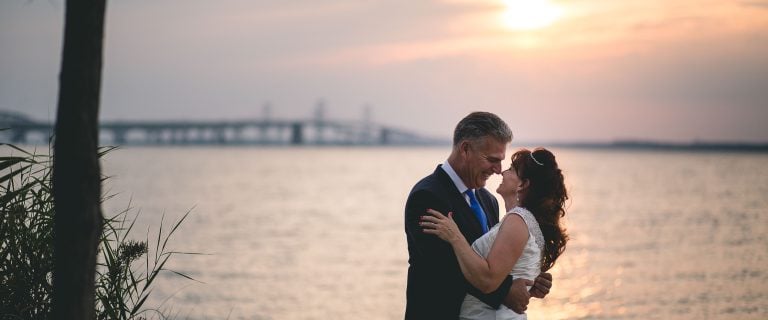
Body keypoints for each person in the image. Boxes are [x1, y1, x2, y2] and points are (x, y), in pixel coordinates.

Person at [404, 112, 552, 320]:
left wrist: (527, 280)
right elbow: (442, 268)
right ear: (465, 149)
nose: (498, 169)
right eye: (492, 160)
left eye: (501, 161)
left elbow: (490, 260)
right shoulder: (427, 196)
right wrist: (506, 291)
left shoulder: (488, 201)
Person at [421, 147, 569, 319]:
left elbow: (489, 279)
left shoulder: (518, 220)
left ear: (523, 184)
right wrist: (529, 285)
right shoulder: (517, 218)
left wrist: (455, 237)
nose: (502, 172)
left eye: (511, 169)